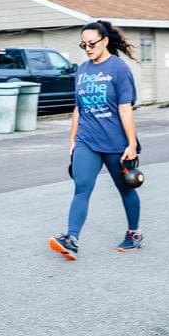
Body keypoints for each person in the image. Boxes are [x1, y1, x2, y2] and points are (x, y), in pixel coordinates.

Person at [48, 20, 143, 260]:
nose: (88, 49)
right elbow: (78, 108)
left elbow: (125, 109)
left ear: (105, 41)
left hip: (115, 142)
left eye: (92, 44)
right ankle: (71, 239)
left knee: (125, 189)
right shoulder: (82, 70)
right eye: (83, 45)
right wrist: (73, 140)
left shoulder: (119, 69)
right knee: (81, 187)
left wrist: (131, 144)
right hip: (87, 140)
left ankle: (134, 233)